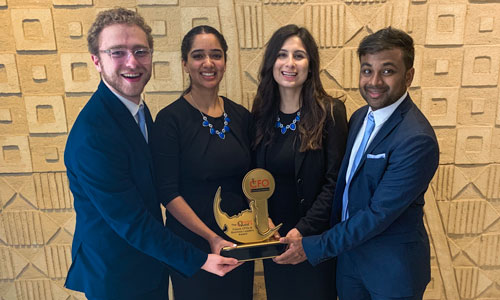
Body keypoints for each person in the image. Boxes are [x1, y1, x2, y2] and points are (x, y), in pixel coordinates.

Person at [64, 8, 239, 300]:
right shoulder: (93, 135)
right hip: (116, 275)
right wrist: (200, 258)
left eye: (140, 51)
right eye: (117, 52)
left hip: (149, 265)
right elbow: (132, 222)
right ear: (96, 60)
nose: (132, 61)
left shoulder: (138, 111)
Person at [275, 27, 439, 300]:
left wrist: (312, 246)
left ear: (408, 76)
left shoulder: (416, 139)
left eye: (387, 71)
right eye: (366, 70)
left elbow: (377, 215)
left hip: (391, 270)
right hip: (349, 263)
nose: (374, 81)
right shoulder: (361, 117)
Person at [151, 25, 253, 300]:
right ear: (184, 63)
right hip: (193, 247)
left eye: (216, 55)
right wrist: (212, 238)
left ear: (225, 62)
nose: (208, 63)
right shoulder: (170, 120)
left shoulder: (242, 116)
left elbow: (252, 181)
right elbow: (168, 192)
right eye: (198, 56)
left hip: (238, 243)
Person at [251, 24, 347, 300]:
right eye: (282, 55)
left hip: (314, 244)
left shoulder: (330, 112)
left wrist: (301, 232)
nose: (289, 63)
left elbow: (335, 184)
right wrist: (262, 221)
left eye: (299, 55)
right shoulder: (260, 115)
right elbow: (253, 178)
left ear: (311, 64)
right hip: (274, 241)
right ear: (272, 62)